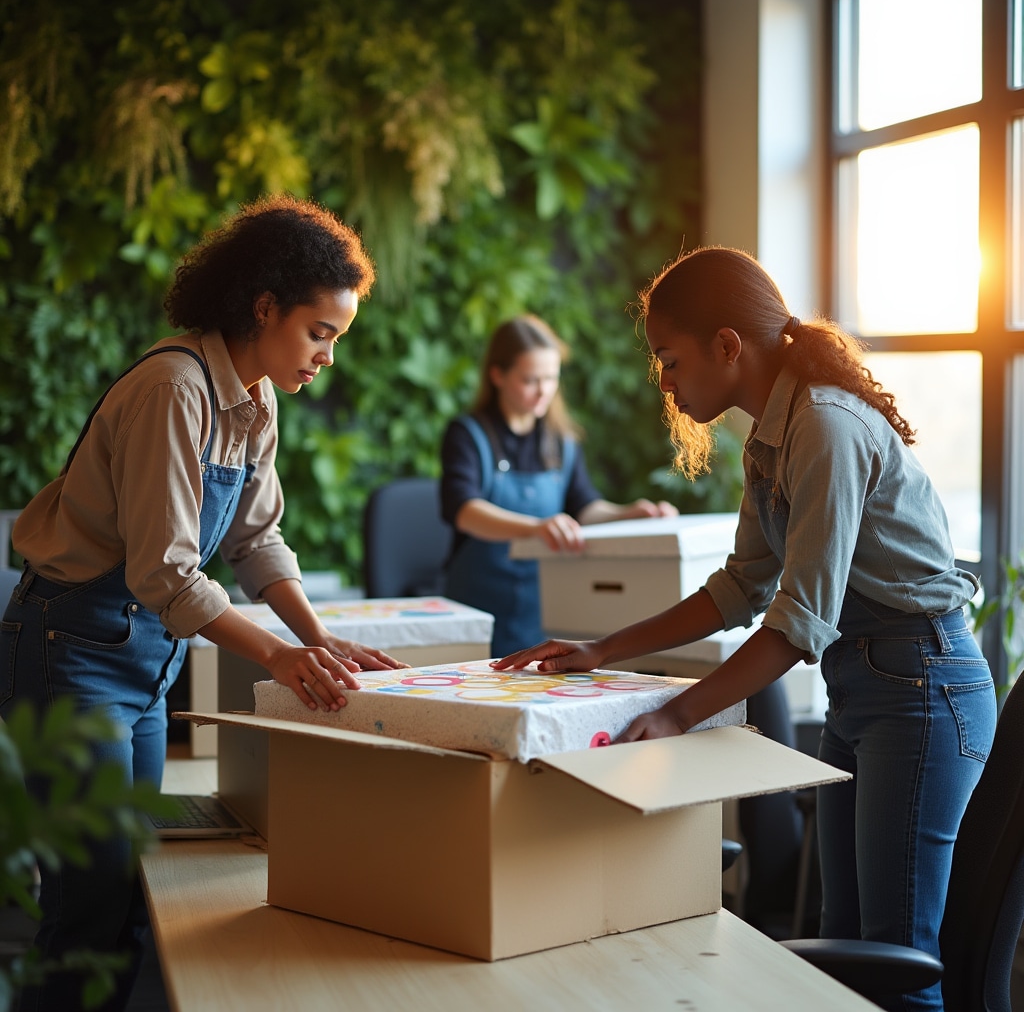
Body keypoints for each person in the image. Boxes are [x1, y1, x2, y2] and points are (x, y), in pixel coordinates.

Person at [493, 248, 996, 1012]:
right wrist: (601, 649)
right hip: (865, 690)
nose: (663, 380)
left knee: (898, 959)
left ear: (728, 346)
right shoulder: (773, 435)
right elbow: (739, 588)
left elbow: (797, 623)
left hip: (921, 688)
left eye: (670, 358)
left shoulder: (824, 426)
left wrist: (676, 713)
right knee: (845, 946)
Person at [0, 195, 409, 1012]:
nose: (327, 357)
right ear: (264, 307)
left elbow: (258, 542)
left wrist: (321, 638)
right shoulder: (173, 388)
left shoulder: (256, 403)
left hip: (145, 664)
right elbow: (169, 575)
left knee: (131, 889)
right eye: (320, 333)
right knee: (89, 907)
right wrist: (281, 659)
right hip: (71, 652)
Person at [441, 314, 677, 657]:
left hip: (546, 616)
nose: (543, 391)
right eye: (530, 380)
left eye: (551, 379)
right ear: (497, 375)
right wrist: (537, 527)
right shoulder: (467, 435)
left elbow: (585, 507)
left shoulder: (562, 442)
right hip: (476, 616)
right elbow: (463, 510)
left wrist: (631, 513)